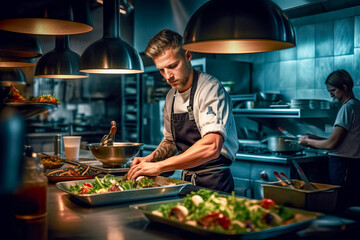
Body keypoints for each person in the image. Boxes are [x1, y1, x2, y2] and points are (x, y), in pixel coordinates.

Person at [127, 29, 239, 193]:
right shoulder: (171, 97)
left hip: (215, 184)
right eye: (161, 70)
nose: (167, 76)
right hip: (183, 182)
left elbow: (212, 146)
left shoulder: (209, 88)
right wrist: (150, 159)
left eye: (172, 66)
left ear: (187, 56)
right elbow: (171, 142)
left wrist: (159, 166)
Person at [298, 69, 360, 209]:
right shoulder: (357, 105)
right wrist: (315, 138)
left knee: (342, 205)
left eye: (333, 90)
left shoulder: (347, 108)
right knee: (351, 205)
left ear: (344, 87)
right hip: (353, 166)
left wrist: (307, 142)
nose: (331, 94)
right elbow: (343, 139)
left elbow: (332, 143)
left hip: (343, 166)